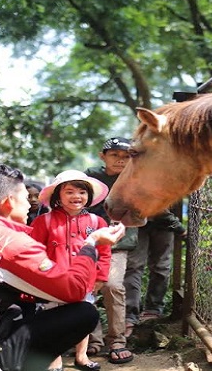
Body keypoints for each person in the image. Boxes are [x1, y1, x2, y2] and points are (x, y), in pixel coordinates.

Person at [0, 164, 126, 371]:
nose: (31, 203)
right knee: (84, 313)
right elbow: (73, 291)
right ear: (8, 202)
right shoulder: (14, 242)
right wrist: (90, 244)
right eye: (25, 196)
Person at [30, 170, 112, 371]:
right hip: (52, 280)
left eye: (82, 192)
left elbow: (104, 252)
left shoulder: (97, 223)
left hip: (84, 280)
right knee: (53, 319)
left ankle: (81, 356)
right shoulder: (43, 221)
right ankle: (54, 359)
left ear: (89, 196)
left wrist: (100, 277)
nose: (77, 196)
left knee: (82, 317)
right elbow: (34, 250)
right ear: (58, 195)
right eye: (70, 191)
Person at [84, 136, 138, 364]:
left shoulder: (136, 178)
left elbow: (140, 210)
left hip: (118, 242)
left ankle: (116, 340)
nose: (120, 160)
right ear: (102, 156)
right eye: (114, 155)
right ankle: (91, 340)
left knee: (113, 285)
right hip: (89, 241)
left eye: (126, 156)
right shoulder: (90, 177)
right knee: (87, 288)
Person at [124, 208, 185, 326]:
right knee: (133, 266)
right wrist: (178, 226)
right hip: (138, 219)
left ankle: (153, 309)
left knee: (161, 266)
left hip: (164, 224)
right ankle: (130, 315)